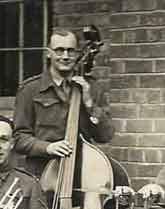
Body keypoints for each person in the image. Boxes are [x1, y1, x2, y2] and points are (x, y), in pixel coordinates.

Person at [12, 28, 114, 177]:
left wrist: (89, 104)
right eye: (59, 50)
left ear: (78, 53)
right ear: (49, 52)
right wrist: (48, 147)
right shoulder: (30, 90)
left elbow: (106, 136)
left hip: (83, 173)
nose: (65, 56)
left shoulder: (92, 88)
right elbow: (18, 138)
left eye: (70, 50)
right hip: (41, 173)